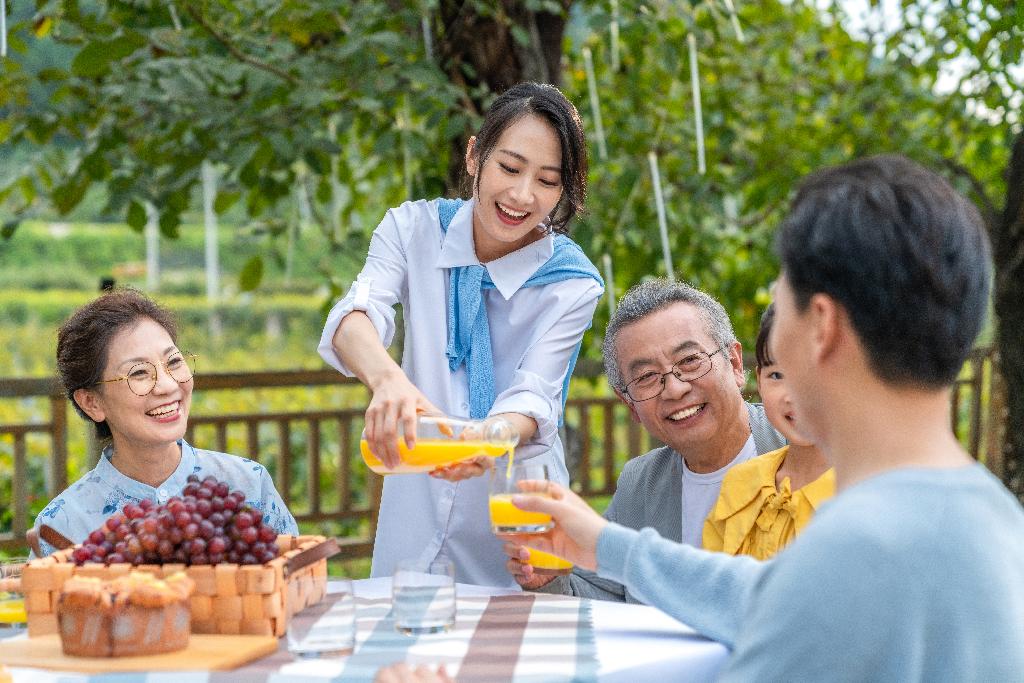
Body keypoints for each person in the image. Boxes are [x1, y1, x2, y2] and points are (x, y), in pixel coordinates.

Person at [505, 155, 1024, 679]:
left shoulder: (861, 546)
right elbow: (766, 594)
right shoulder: (991, 515)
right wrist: (602, 544)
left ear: (821, 326)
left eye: (782, 299)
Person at [318, 82, 604, 587]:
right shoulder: (411, 230)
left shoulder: (572, 282)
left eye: (547, 181)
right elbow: (355, 317)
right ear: (475, 155)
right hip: (416, 506)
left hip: (517, 519)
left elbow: (534, 397)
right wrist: (389, 382)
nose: (521, 196)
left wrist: (484, 441)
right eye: (509, 168)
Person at [506, 279, 785, 599]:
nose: (675, 388)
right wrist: (550, 578)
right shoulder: (641, 483)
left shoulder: (807, 450)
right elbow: (605, 592)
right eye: (646, 377)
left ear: (735, 364)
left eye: (690, 361)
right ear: (629, 404)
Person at [33, 289, 298, 557]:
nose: (168, 385)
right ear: (91, 402)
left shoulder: (247, 485)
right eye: (138, 373)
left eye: (173, 361)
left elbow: (297, 583)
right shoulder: (62, 524)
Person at [702, 303, 834, 559]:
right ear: (759, 380)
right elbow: (709, 584)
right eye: (777, 375)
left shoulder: (867, 493)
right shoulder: (741, 483)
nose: (795, 394)